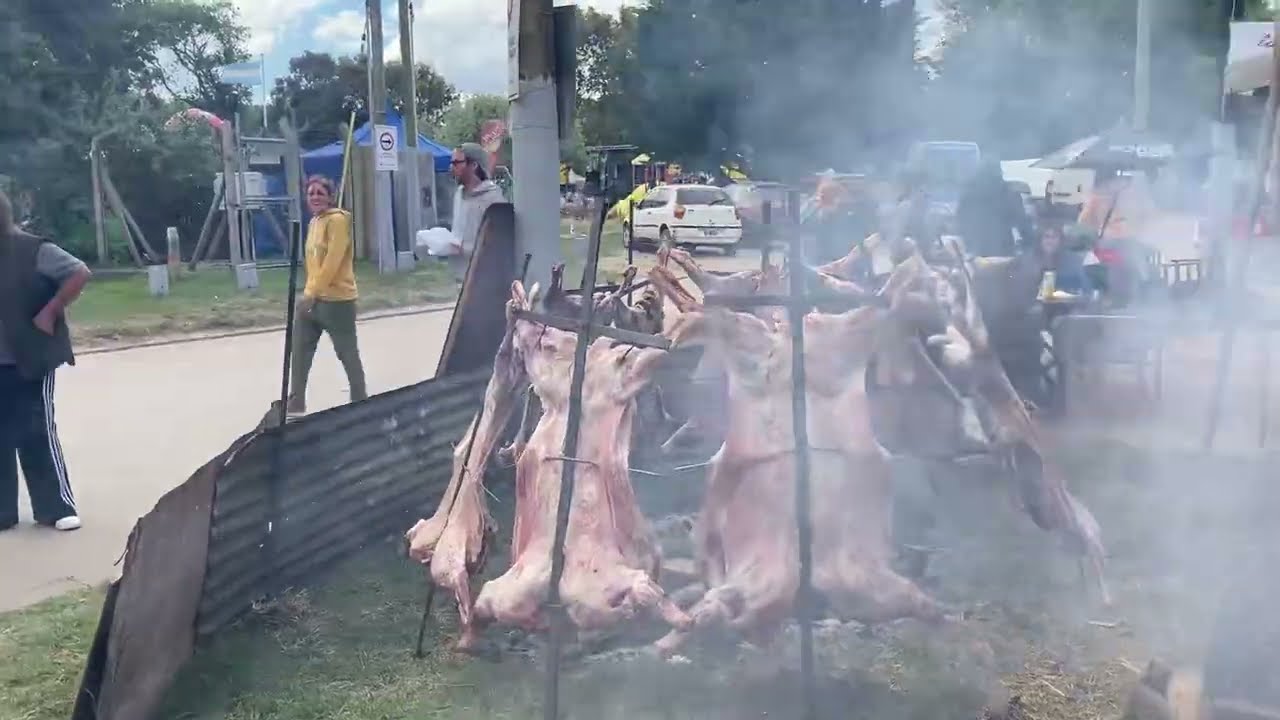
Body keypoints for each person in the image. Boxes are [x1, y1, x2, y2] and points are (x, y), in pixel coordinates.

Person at [1, 188, 92, 532]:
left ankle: (56, 507)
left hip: (30, 354)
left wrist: (50, 311)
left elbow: (79, 272)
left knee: (35, 428)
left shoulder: (31, 249)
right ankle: (3, 513)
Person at [286, 176, 367, 415]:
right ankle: (296, 400)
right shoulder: (314, 222)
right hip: (313, 299)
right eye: (311, 193)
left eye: (320, 193)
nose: (315, 197)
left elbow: (332, 261)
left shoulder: (338, 221)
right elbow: (313, 264)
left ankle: (360, 401)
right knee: (299, 351)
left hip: (337, 301)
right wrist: (308, 293)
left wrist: (312, 292)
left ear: (330, 197)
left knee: (347, 353)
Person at [446, 143, 505, 284]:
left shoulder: (494, 199)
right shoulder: (459, 194)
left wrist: (464, 248)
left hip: (483, 280)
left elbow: (499, 244)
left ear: (473, 165)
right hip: (460, 276)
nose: (451, 168)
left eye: (456, 163)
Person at [956, 161, 1034, 258]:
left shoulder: (969, 194)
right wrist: (1029, 245)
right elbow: (1023, 224)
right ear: (1000, 173)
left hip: (976, 252)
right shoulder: (1009, 193)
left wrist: (967, 243)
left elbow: (960, 222)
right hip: (1003, 251)